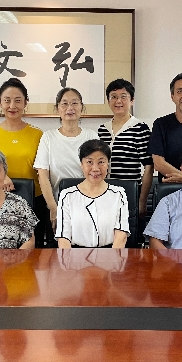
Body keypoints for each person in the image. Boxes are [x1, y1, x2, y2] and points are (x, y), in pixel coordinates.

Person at [0, 78, 46, 246]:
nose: (12, 106)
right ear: (0, 103)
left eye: (18, 100)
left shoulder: (38, 134)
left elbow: (43, 170)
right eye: (7, 100)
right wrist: (2, 176)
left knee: (32, 250)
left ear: (26, 102)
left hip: (33, 200)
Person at [34, 88, 99, 234]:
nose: (70, 108)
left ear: (81, 107)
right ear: (58, 108)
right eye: (64, 103)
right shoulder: (48, 137)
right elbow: (42, 176)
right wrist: (53, 208)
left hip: (88, 204)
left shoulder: (91, 136)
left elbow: (99, 173)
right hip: (58, 205)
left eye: (74, 103)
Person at [55, 139, 129, 248]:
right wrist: (69, 259)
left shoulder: (118, 194)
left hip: (111, 253)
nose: (95, 169)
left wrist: (112, 258)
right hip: (75, 255)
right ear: (81, 164)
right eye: (89, 162)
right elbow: (63, 238)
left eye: (101, 162)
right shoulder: (67, 195)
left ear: (108, 164)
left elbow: (121, 236)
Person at [98, 78, 153, 218]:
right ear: (108, 101)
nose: (118, 101)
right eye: (113, 97)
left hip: (129, 192)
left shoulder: (140, 128)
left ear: (132, 100)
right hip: (104, 192)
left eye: (123, 97)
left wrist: (142, 201)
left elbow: (149, 167)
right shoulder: (102, 129)